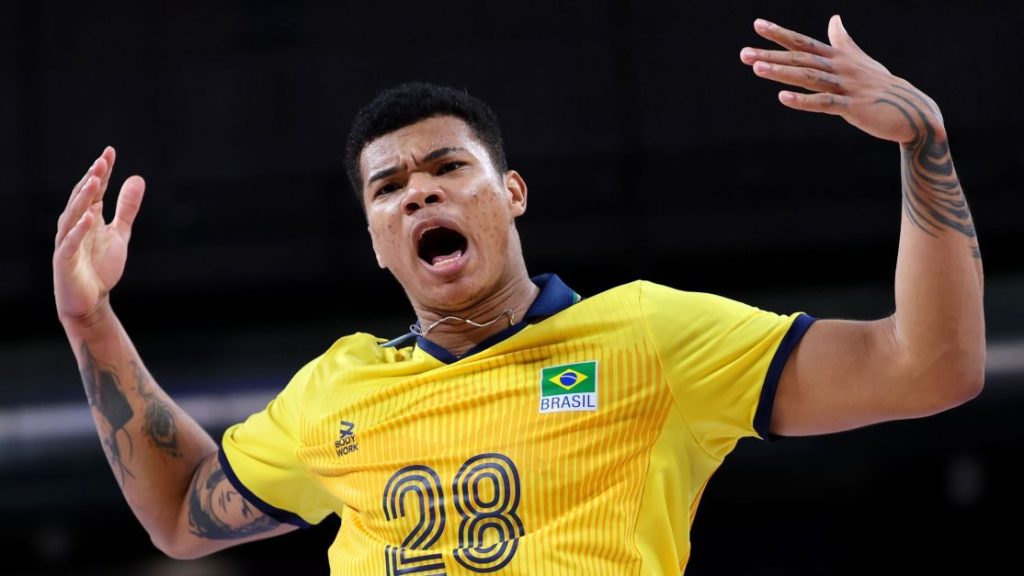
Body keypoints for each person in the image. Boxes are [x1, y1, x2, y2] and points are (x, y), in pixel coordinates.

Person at [52, 15, 984, 574]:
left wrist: (924, 143)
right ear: (377, 242)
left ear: (512, 194)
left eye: (448, 168)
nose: (419, 193)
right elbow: (180, 512)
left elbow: (931, 366)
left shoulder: (650, 336)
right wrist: (90, 318)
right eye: (389, 188)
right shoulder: (333, 393)